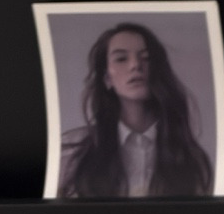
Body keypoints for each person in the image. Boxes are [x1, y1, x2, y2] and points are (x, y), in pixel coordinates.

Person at [58, 21, 212, 198]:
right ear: (107, 78)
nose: (135, 65)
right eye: (121, 59)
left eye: (146, 58)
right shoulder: (73, 152)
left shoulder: (189, 157)